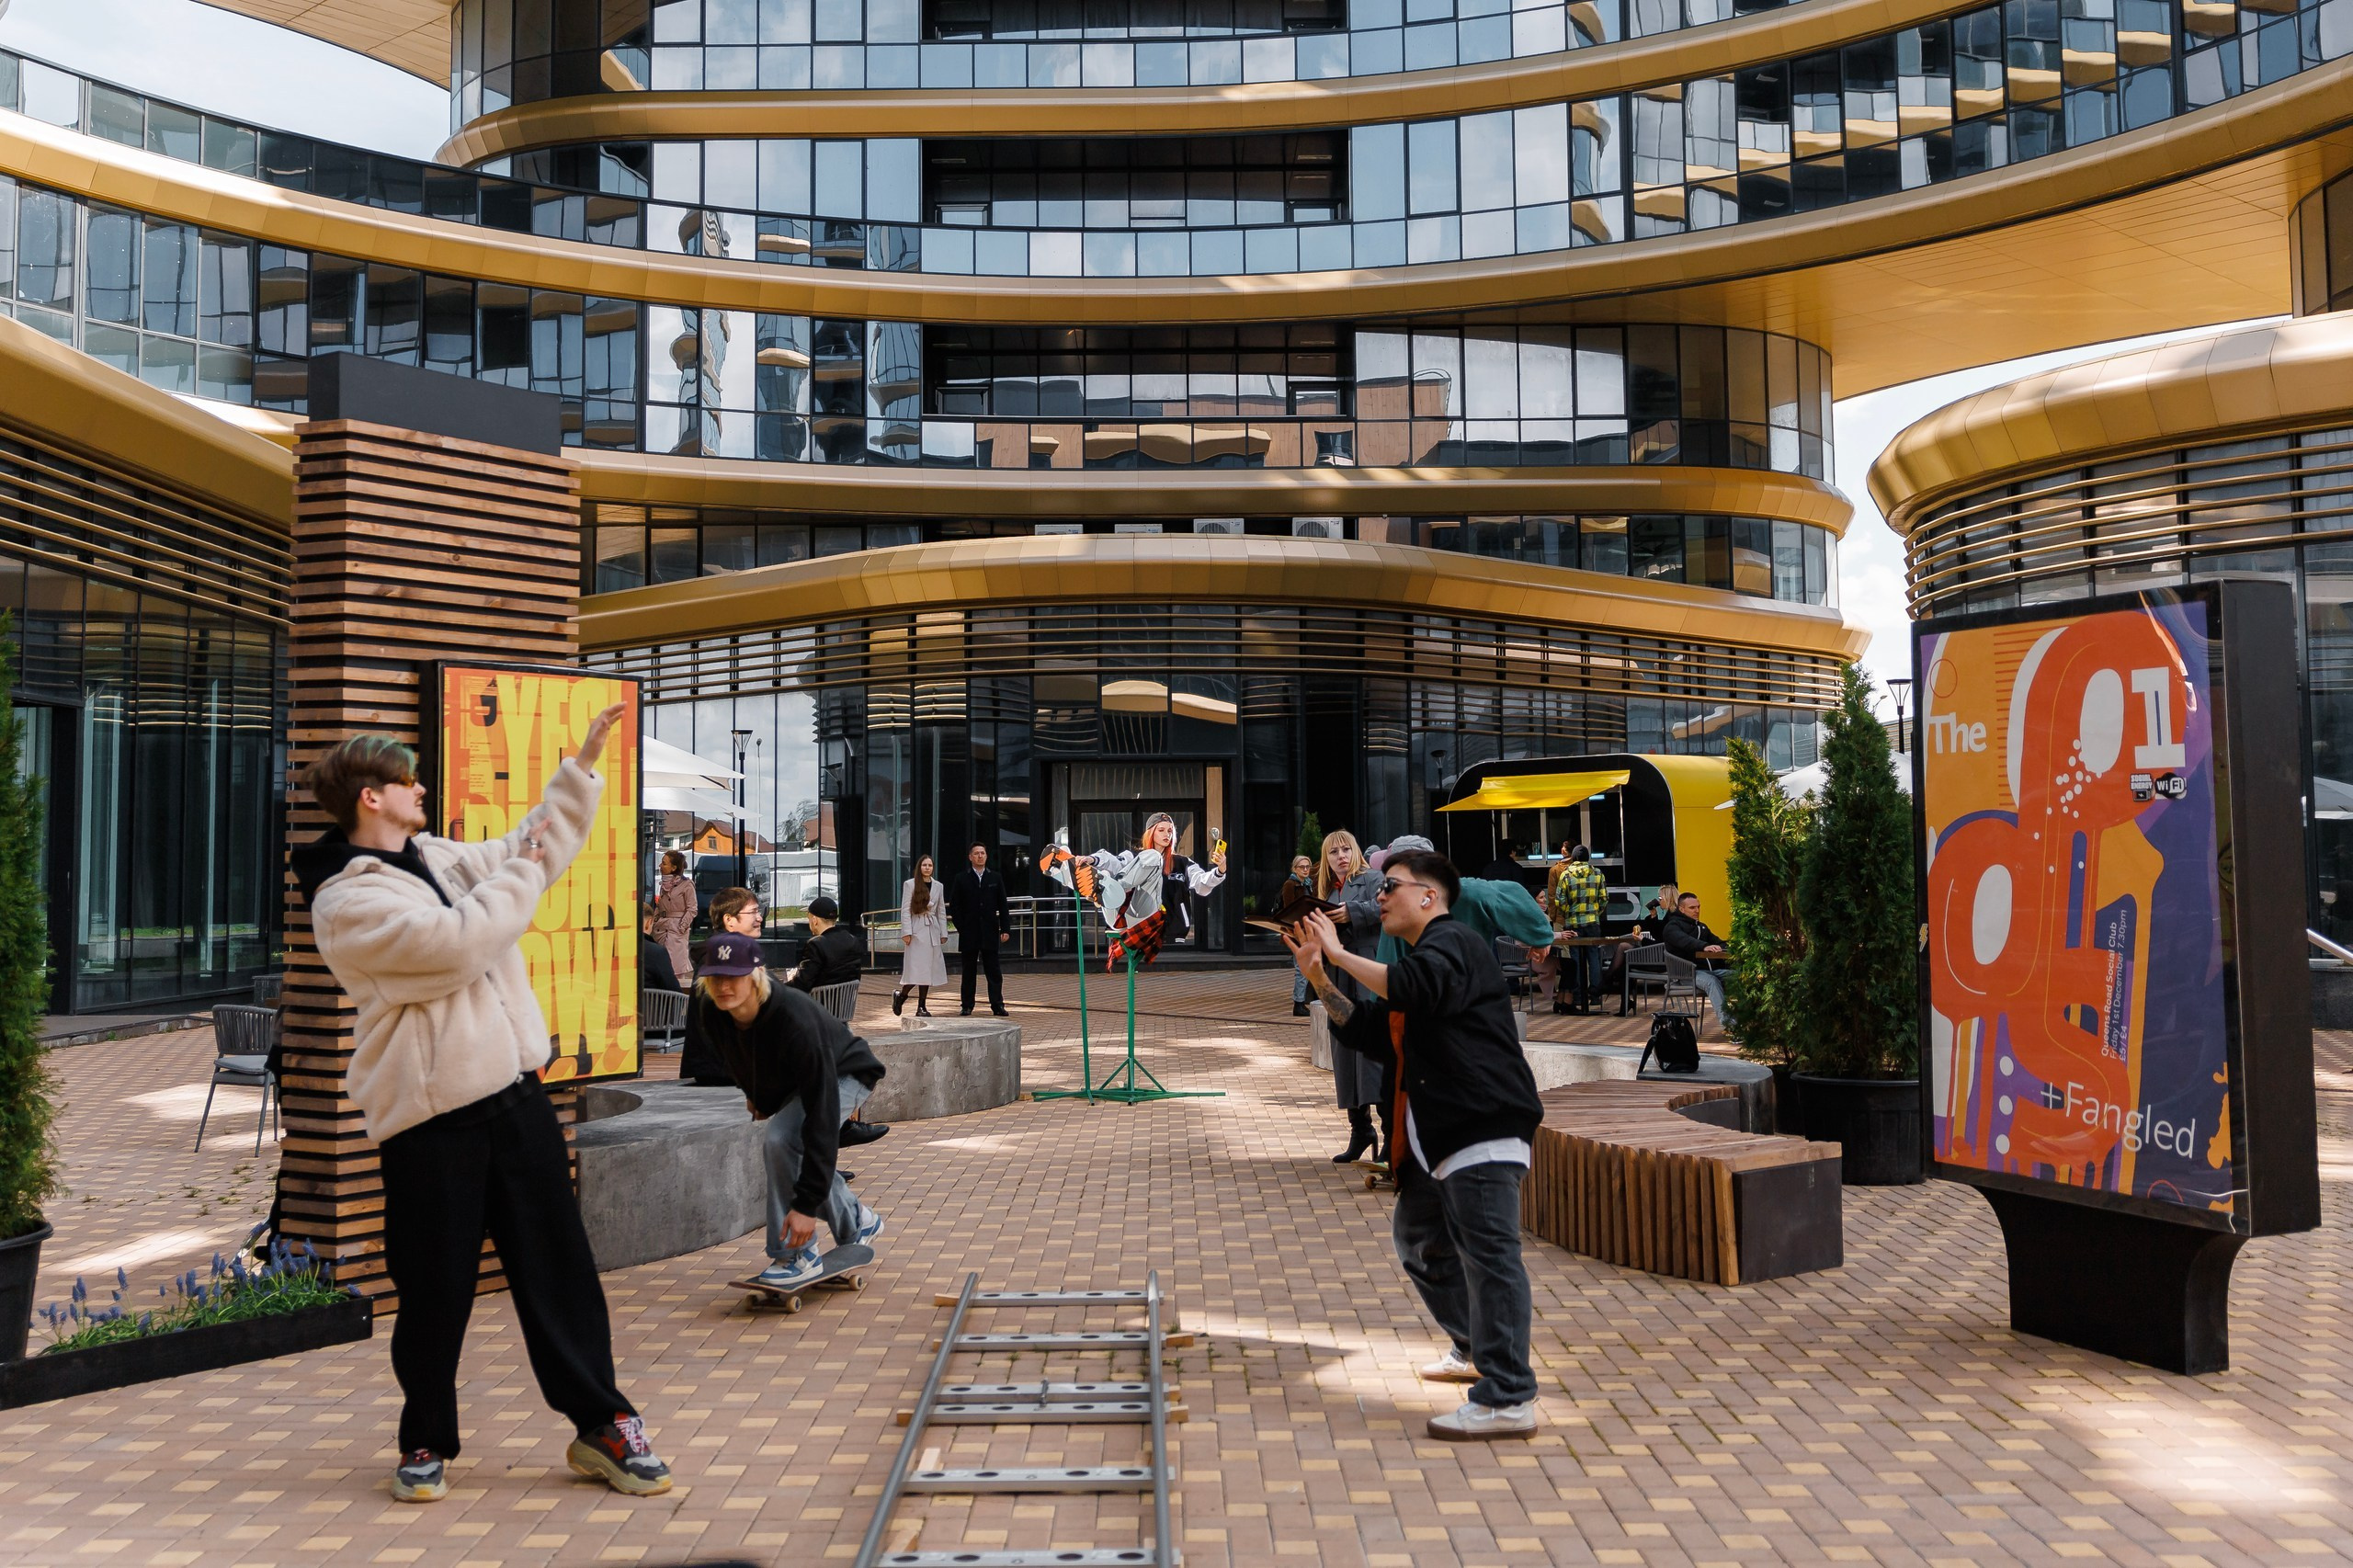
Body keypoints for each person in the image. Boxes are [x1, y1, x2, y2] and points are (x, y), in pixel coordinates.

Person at [290, 712, 672, 1506]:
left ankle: (603, 1423)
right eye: (408, 781)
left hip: (515, 1093)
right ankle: (425, 1437)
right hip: (431, 1119)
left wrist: (581, 769)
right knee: (435, 1286)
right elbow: (457, 942)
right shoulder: (345, 905)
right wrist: (523, 873)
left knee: (559, 1268)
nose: (422, 788)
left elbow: (521, 849)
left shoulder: (432, 854)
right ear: (373, 797)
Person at [1285, 850, 1545, 1441]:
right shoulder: (1425, 958)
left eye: (1391, 887)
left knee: (1491, 1256)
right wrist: (1321, 977)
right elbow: (1374, 1029)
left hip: (1480, 1126)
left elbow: (1407, 987)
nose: (1379, 896)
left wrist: (1337, 952)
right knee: (1421, 1237)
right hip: (1439, 1136)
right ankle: (1478, 1348)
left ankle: (1508, 1394)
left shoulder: (1455, 942)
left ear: (1429, 896)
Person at [688, 932, 888, 1288]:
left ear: (755, 976)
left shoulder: (793, 1018)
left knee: (783, 1140)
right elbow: (736, 1058)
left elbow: (822, 1120)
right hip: (801, 1079)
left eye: (732, 977)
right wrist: (757, 1096)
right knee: (785, 1145)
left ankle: (797, 1253)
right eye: (715, 977)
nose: (722, 987)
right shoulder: (710, 1009)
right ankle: (857, 1221)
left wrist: (806, 1207)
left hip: (847, 1072)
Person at [1315, 829, 1387, 1163]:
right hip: (1338, 974)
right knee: (1345, 1051)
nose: (1341, 856)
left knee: (1373, 1051)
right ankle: (1360, 1130)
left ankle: (1390, 1134)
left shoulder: (1373, 878)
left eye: (1346, 849)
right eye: (1334, 852)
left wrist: (1352, 912)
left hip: (1367, 968)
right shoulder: (1327, 889)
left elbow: (1388, 907)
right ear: (1326, 859)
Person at [681, 888, 764, 1085]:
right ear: (730, 920)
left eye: (759, 911)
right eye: (753, 912)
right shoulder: (727, 956)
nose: (759, 918)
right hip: (726, 1070)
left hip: (718, 1066)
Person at [947, 842, 1012, 1017]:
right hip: (969, 932)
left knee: (994, 971)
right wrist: (962, 927)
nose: (980, 856)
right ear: (970, 857)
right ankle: (967, 1005)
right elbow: (954, 905)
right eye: (976, 853)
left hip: (990, 931)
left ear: (986, 856)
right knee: (969, 971)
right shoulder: (961, 878)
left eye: (983, 853)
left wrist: (1005, 928)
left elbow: (1003, 905)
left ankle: (997, 1005)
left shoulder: (995, 878)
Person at [1660, 890, 1736, 1036]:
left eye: (1698, 907)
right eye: (1692, 908)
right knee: (1712, 981)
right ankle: (1730, 1026)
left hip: (1709, 972)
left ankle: (1746, 1021)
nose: (1697, 911)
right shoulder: (1672, 927)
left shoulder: (1702, 927)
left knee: (1741, 977)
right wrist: (1703, 946)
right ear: (1681, 909)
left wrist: (1736, 947)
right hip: (1685, 976)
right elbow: (1684, 941)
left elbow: (1719, 942)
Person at [1548, 846, 1608, 1015]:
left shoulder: (1566, 875)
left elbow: (1559, 900)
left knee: (1575, 959)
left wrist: (1569, 913)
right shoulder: (1597, 873)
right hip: (1592, 922)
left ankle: (1579, 996)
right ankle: (1595, 995)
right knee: (1593, 957)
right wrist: (1596, 911)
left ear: (1573, 858)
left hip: (1573, 923)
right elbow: (1604, 898)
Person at [894, 854, 949, 1017]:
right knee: (916, 970)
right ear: (920, 867)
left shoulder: (938, 886)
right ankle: (902, 995)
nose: (927, 868)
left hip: (932, 929)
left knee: (928, 970)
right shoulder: (910, 884)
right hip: (917, 929)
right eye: (924, 865)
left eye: (930, 865)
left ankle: (921, 1006)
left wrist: (943, 932)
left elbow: (941, 911)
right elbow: (905, 909)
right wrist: (906, 932)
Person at [788, 894, 864, 994]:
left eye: (809, 919)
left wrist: (781, 987)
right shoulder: (852, 940)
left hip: (819, 1006)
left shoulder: (815, 944)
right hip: (845, 1006)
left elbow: (802, 984)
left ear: (814, 921)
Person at [1278, 854, 1315, 1016]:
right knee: (1301, 967)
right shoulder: (1290, 884)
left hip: (1308, 930)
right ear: (1295, 868)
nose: (1306, 870)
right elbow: (1289, 910)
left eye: (1308, 867)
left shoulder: (1308, 884)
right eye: (1302, 867)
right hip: (1296, 931)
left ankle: (1303, 1001)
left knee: (1306, 966)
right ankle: (1298, 1003)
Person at [650, 849, 695, 984]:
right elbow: (660, 906)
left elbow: (692, 909)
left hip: (676, 932)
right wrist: (654, 921)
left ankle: (675, 1000)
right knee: (661, 968)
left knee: (675, 970)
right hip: (661, 930)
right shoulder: (663, 885)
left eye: (664, 863)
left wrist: (681, 927)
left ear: (673, 867)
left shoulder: (687, 885)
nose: (660, 866)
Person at [640, 900, 681, 992]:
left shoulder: (613, 949)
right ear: (648, 923)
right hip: (651, 1005)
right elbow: (674, 991)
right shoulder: (656, 952)